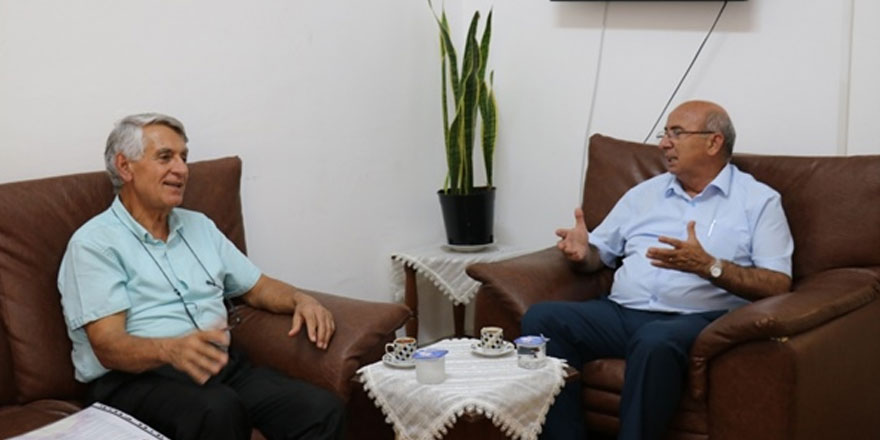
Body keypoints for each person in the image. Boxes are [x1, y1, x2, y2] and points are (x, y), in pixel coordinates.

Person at [58, 113, 344, 440]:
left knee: (320, 409)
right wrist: (170, 350)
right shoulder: (95, 244)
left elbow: (257, 286)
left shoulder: (200, 226)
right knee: (217, 409)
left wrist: (300, 299)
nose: (181, 169)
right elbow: (108, 346)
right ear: (125, 167)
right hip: (133, 380)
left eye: (184, 157)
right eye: (165, 157)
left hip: (215, 366)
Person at [522, 100, 794, 440]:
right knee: (543, 320)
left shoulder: (758, 201)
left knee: (654, 341)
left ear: (714, 142)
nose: (664, 143)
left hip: (699, 319)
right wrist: (582, 252)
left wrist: (709, 267)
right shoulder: (644, 194)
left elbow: (777, 284)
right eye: (664, 133)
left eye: (676, 133)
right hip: (623, 313)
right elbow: (599, 255)